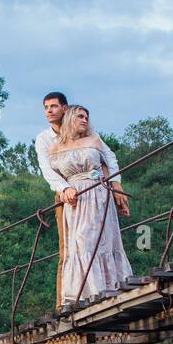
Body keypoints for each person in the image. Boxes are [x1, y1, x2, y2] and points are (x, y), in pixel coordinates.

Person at [36, 101, 132, 310]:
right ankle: (82, 292)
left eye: (86, 117)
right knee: (79, 241)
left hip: (98, 192)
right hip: (73, 197)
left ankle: (110, 285)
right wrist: (64, 189)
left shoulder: (93, 138)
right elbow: (49, 171)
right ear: (70, 117)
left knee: (104, 239)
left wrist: (116, 187)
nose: (85, 120)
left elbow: (108, 161)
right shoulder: (49, 143)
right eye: (80, 117)